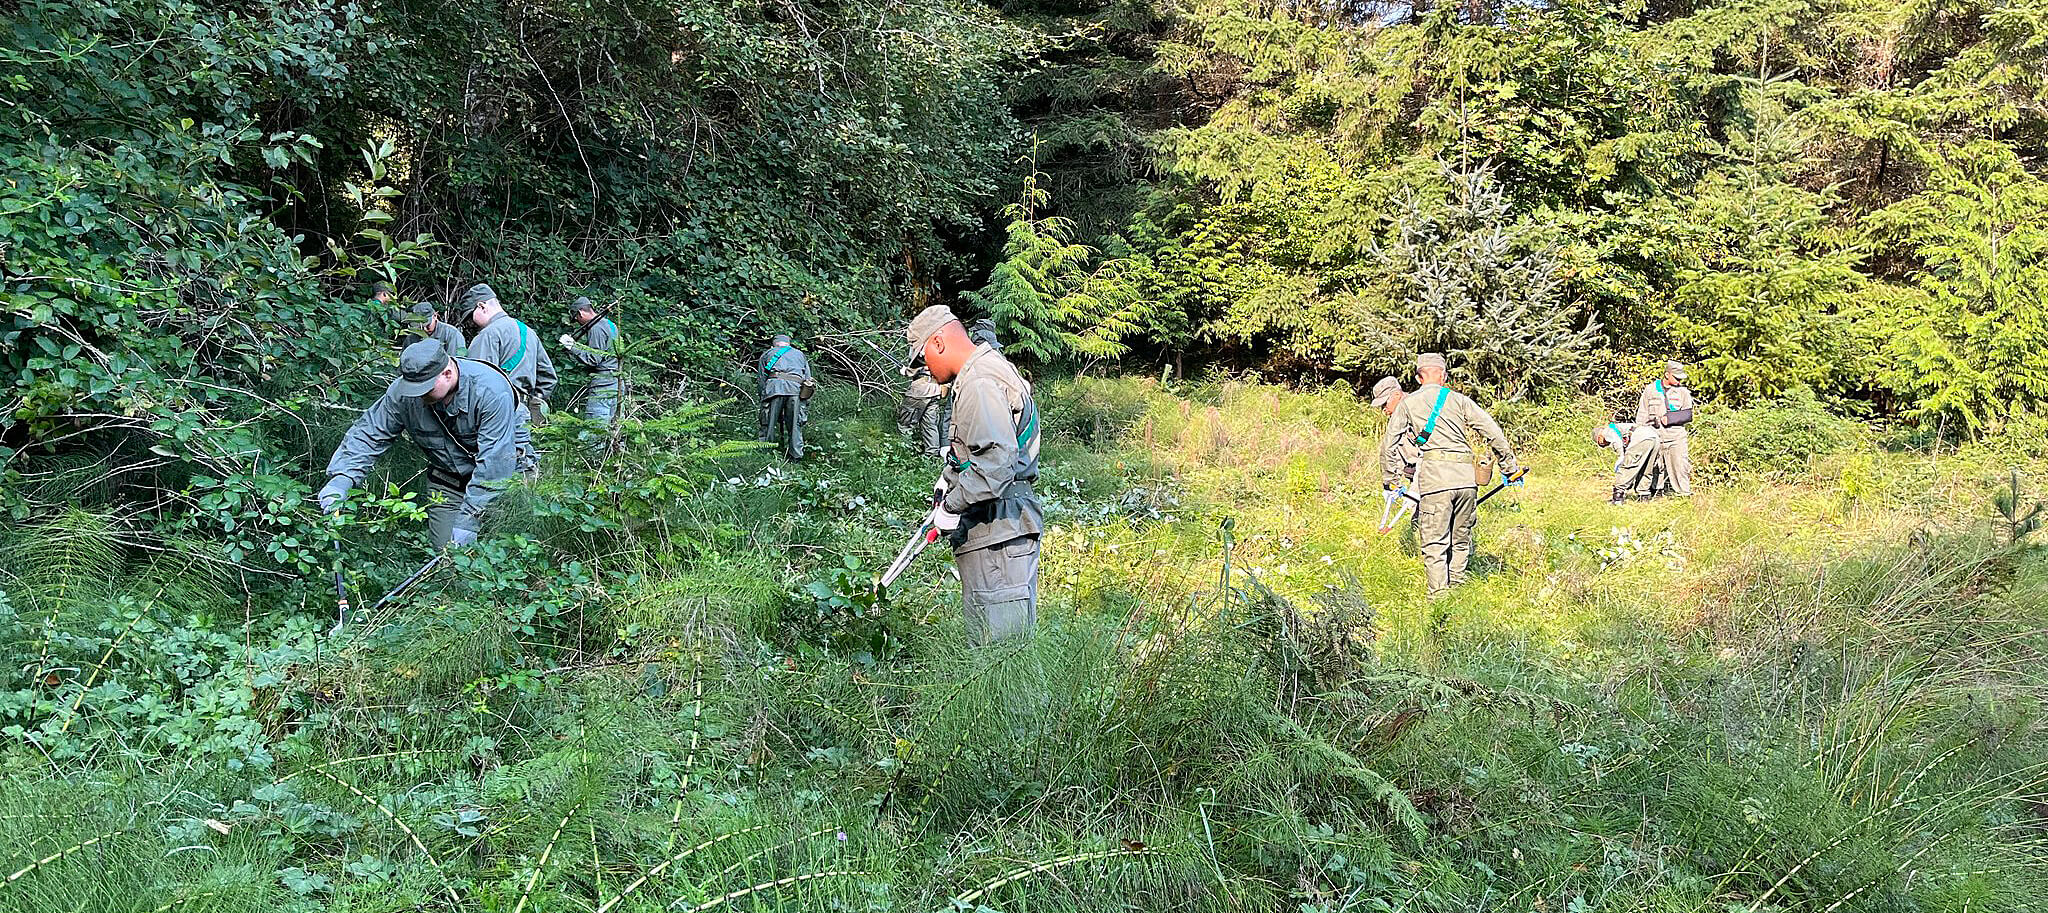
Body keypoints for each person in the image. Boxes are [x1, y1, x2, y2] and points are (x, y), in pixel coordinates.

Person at [905, 305, 1043, 645]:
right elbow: (978, 453)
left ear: (938, 342)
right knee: (990, 637)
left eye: (922, 360)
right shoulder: (981, 373)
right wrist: (947, 480)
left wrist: (951, 507)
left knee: (1001, 651)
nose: (926, 371)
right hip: (994, 527)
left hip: (999, 529)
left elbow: (996, 465)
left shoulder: (980, 380)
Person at [318, 340, 519, 549]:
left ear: (447, 374)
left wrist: (469, 520)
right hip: (448, 480)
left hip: (504, 482)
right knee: (447, 557)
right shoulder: (403, 394)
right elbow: (370, 432)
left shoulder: (490, 391)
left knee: (503, 551)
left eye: (425, 388)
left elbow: (496, 464)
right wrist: (342, 477)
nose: (418, 395)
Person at [1381, 353, 1525, 596]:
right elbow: (1493, 432)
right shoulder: (1460, 400)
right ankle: (1457, 590)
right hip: (1466, 481)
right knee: (1460, 540)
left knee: (1435, 543)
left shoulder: (1408, 404)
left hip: (1436, 481)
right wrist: (1509, 467)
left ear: (1418, 377)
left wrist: (1392, 482)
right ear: (1444, 376)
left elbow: (1389, 445)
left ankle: (1439, 599)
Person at [461, 283, 556, 475]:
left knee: (493, 471)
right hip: (524, 413)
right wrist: (532, 404)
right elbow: (549, 378)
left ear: (481, 306)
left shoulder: (487, 336)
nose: (471, 323)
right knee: (523, 468)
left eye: (470, 317)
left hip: (496, 413)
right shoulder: (528, 332)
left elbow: (474, 386)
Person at [557, 296, 620, 428]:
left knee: (594, 432)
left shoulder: (596, 328)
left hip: (603, 386)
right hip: (617, 384)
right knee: (614, 430)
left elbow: (594, 359)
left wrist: (573, 347)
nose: (579, 323)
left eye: (576, 319)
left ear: (580, 313)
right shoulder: (610, 325)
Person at [1635, 360, 1695, 497]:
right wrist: (1639, 434)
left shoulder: (1683, 392)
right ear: (1667, 375)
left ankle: (1683, 494)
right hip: (1655, 434)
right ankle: (1655, 491)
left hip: (1676, 436)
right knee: (1654, 466)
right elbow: (1642, 414)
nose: (1679, 381)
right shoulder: (1650, 390)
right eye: (1677, 378)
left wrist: (1671, 418)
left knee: (1680, 466)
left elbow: (1688, 414)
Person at [757, 334, 812, 460]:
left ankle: (765, 454)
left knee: (768, 424)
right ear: (789, 344)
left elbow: (761, 379)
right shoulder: (799, 354)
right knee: (795, 425)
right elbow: (808, 380)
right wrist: (805, 400)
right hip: (795, 390)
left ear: (773, 345)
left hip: (773, 389)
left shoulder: (768, 353)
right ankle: (796, 456)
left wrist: (763, 396)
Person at [1594, 421, 1663, 504]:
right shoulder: (1620, 427)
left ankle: (1617, 498)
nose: (1604, 444)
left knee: (1628, 466)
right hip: (1654, 437)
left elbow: (1616, 441)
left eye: (1601, 443)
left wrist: (1621, 457)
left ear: (1599, 436)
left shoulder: (1607, 431)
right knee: (1646, 468)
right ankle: (1644, 496)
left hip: (1641, 437)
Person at [899, 364, 948, 459]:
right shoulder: (944, 352)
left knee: (905, 424)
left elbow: (915, 368)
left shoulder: (924, 350)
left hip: (920, 390)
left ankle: (905, 453)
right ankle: (932, 456)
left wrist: (906, 371)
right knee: (930, 425)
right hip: (935, 390)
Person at [400, 302, 467, 357]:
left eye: (428, 325)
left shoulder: (452, 334)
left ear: (435, 316)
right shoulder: (412, 337)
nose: (424, 329)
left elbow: (457, 360)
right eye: (420, 326)